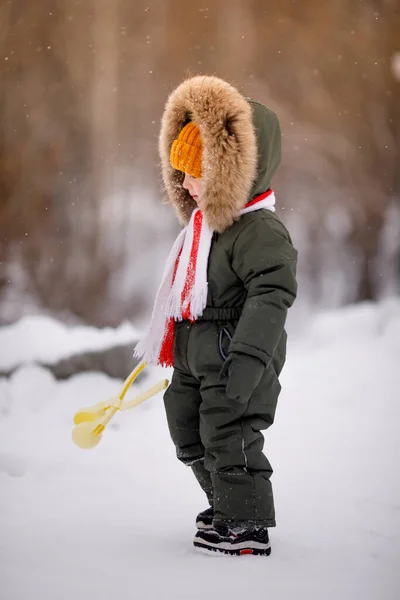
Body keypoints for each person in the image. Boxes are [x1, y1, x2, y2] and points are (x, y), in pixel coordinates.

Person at [135, 75, 298, 556]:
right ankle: (226, 503)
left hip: (236, 357)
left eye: (197, 171)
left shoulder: (259, 230)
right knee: (187, 431)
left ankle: (245, 522)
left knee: (229, 437)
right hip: (195, 357)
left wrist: (248, 357)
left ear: (232, 171)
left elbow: (272, 291)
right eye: (180, 172)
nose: (186, 184)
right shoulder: (203, 230)